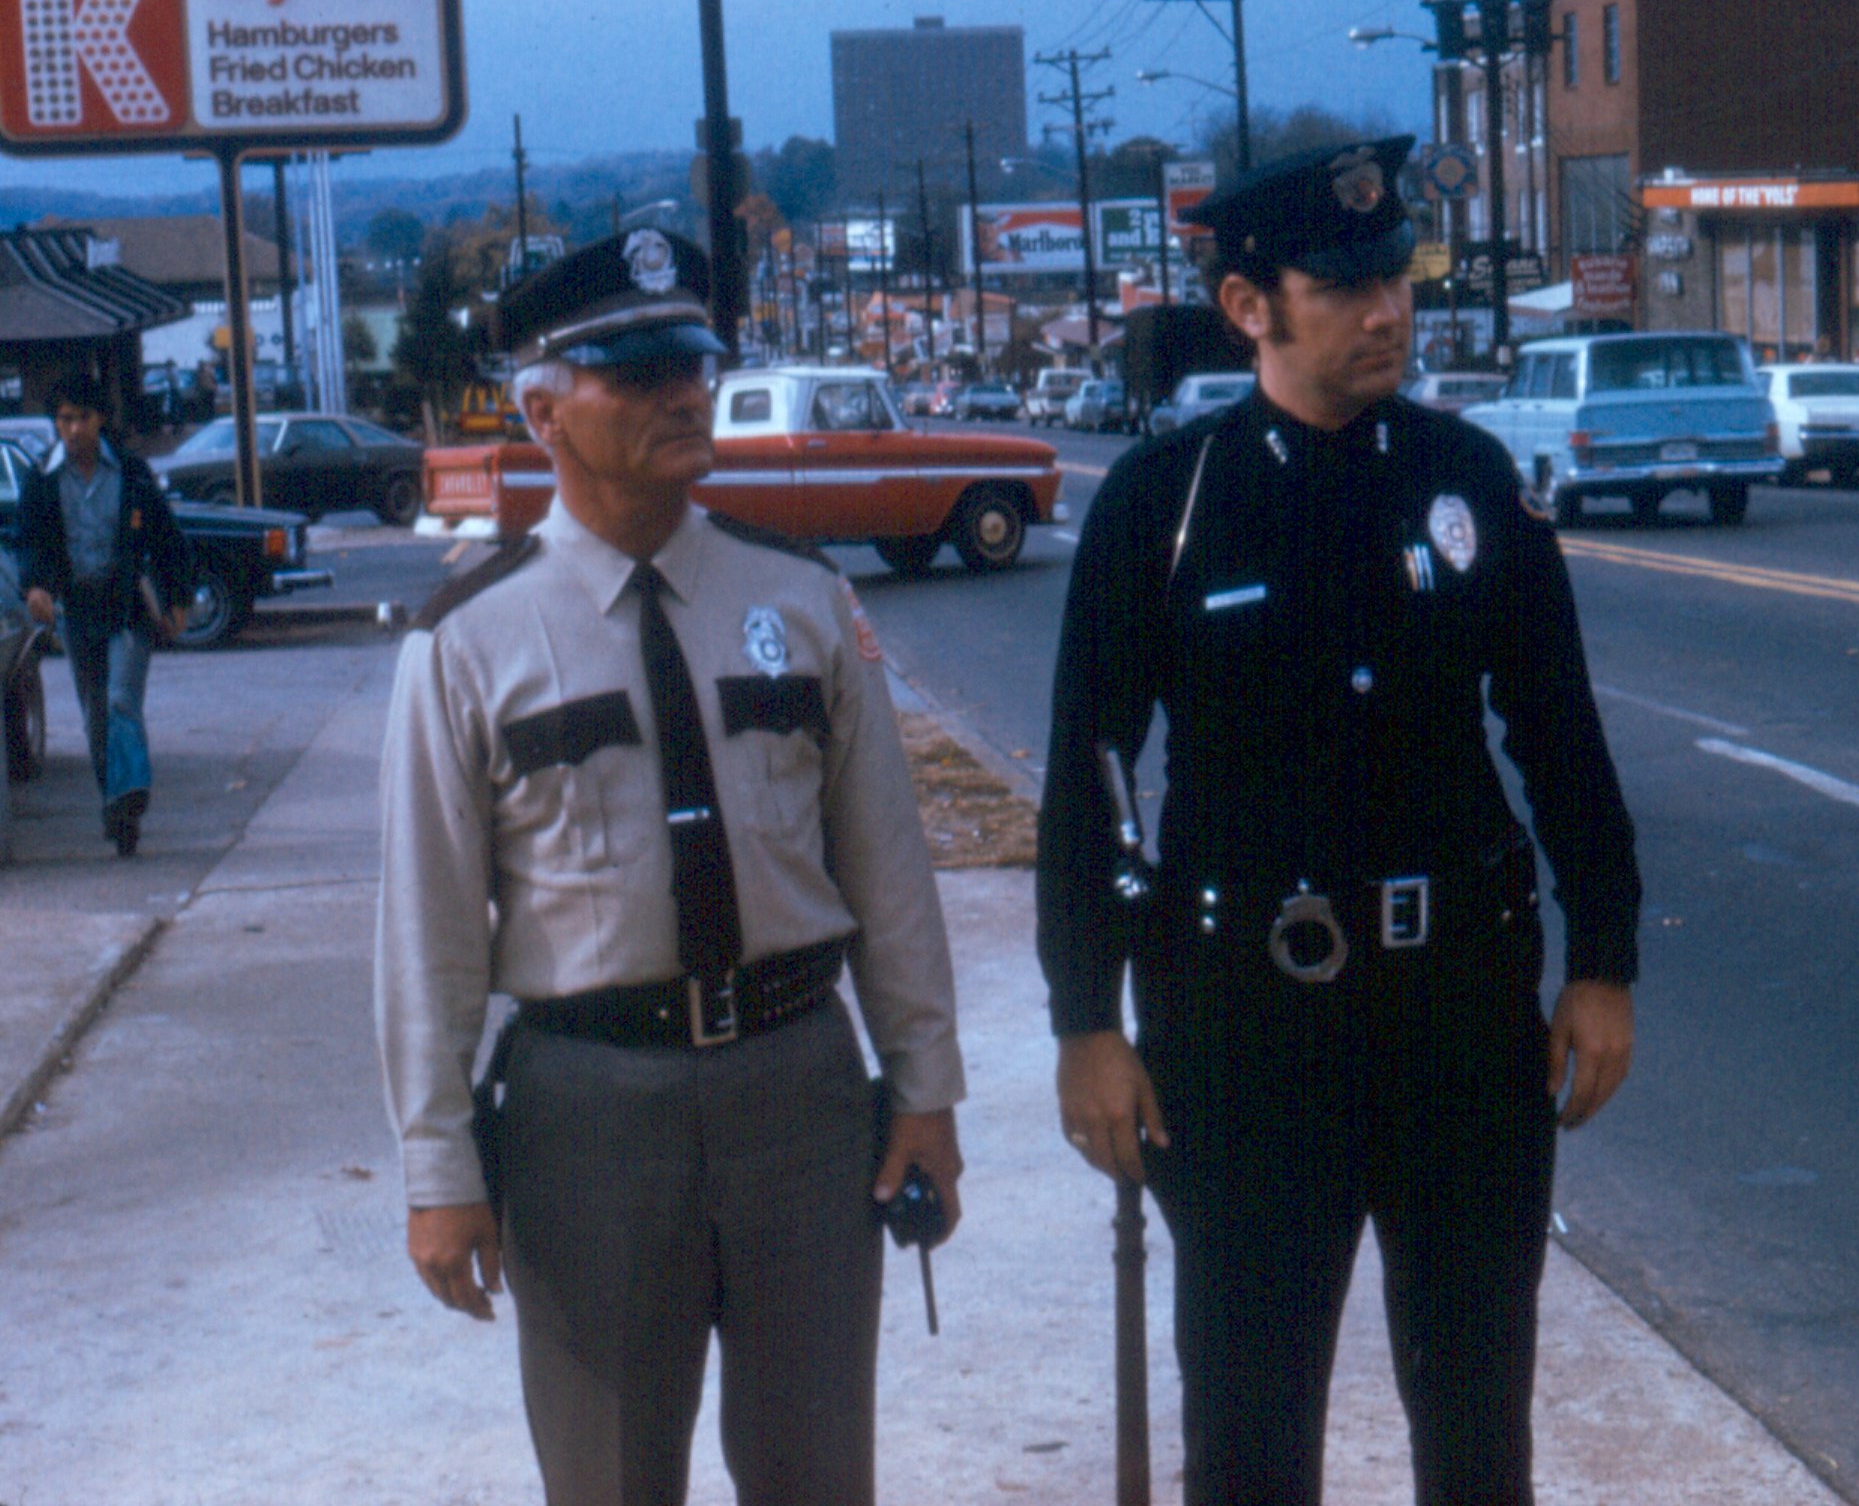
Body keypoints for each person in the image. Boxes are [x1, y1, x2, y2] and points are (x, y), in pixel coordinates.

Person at [1037, 138, 1643, 1504]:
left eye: (1398, 279)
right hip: (1247, 1036)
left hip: (1461, 1028)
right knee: (1251, 1447)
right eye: (1346, 286)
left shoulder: (1472, 480)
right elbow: (1089, 778)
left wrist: (1603, 960)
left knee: (1478, 1434)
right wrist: (1085, 1020)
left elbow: (1559, 740)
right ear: (1251, 304)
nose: (1387, 311)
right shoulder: (1166, 506)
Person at [375, 230, 965, 1506]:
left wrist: (923, 1090)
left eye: (690, 361)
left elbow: (888, 871)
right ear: (542, 413)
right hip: (589, 1113)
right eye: (634, 374)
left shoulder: (799, 598)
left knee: (818, 1478)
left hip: (800, 1094)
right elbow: (428, 934)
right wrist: (439, 1170)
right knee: (611, 1482)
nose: (682, 393)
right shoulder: (467, 644)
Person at [14, 371, 191, 856]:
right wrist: (36, 587)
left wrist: (178, 598)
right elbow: (28, 542)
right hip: (77, 611)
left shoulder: (131, 473)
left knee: (119, 700)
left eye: (81, 418)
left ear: (100, 419)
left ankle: (130, 796)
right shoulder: (43, 479)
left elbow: (166, 536)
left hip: (127, 606)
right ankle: (115, 806)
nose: (72, 429)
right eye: (64, 419)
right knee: (95, 714)